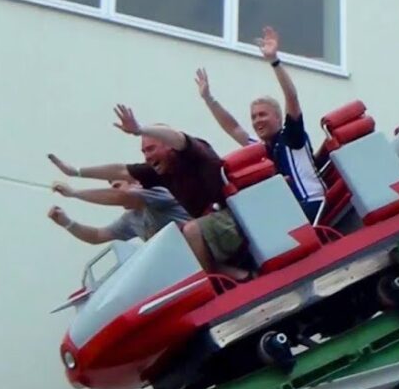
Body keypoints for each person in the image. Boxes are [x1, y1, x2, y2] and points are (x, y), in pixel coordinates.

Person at [47, 106, 250, 280]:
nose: (147, 156)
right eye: (144, 152)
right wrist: (75, 175)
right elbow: (98, 234)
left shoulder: (167, 180)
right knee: (169, 255)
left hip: (229, 222)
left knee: (188, 231)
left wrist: (139, 129)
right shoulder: (132, 217)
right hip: (203, 244)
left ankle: (211, 283)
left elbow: (178, 138)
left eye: (151, 148)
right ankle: (236, 276)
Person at [197, 27, 326, 222]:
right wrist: (208, 99)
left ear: (278, 117)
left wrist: (274, 61)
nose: (257, 121)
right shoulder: (261, 149)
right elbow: (233, 128)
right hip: (294, 213)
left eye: (262, 115)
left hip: (313, 206)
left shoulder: (291, 136)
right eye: (254, 117)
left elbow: (291, 96)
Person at [47, 178, 190, 244]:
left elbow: (123, 196)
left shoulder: (156, 193)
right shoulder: (130, 219)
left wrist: (74, 193)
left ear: (136, 183)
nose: (113, 191)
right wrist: (66, 222)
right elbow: (97, 236)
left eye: (117, 185)